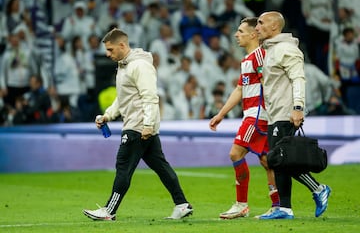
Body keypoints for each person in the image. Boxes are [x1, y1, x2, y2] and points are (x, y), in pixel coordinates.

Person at [83, 28, 193, 221]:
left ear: (122, 45)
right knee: (161, 167)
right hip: (141, 126)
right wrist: (108, 115)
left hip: (138, 126)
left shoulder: (139, 65)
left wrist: (148, 124)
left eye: (110, 50)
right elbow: (123, 97)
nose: (107, 54)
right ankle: (182, 204)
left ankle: (109, 210)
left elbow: (149, 96)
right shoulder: (125, 66)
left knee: (123, 166)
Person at [255, 11, 331, 219]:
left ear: (274, 27)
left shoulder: (286, 49)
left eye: (260, 23)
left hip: (286, 113)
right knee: (279, 160)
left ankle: (318, 189)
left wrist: (298, 107)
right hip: (275, 114)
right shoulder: (271, 50)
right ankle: (285, 208)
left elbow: (298, 78)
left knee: (279, 160)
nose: (257, 27)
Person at [209, 17, 279, 219]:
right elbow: (240, 89)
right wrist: (221, 114)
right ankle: (278, 205)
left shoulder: (259, 56)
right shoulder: (247, 60)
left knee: (235, 154)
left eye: (240, 31)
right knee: (267, 161)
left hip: (257, 116)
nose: (236, 35)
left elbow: (269, 83)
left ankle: (241, 205)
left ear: (253, 34)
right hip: (254, 115)